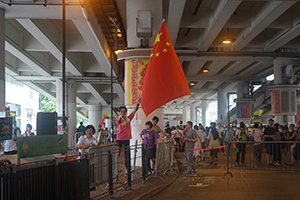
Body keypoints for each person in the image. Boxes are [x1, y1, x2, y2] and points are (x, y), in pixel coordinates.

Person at [116, 98, 140, 171]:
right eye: (122, 111)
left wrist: (137, 103)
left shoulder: (128, 118)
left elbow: (134, 111)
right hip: (119, 139)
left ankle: (127, 168)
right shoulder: (118, 119)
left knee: (127, 154)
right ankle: (116, 169)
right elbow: (119, 119)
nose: (123, 112)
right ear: (120, 112)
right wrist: (121, 117)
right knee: (117, 154)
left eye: (124, 111)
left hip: (127, 139)